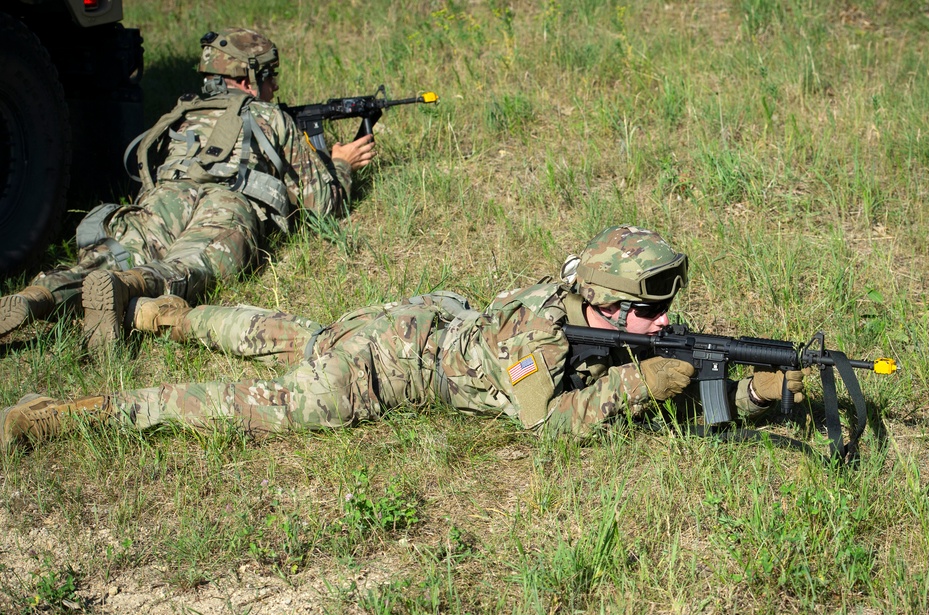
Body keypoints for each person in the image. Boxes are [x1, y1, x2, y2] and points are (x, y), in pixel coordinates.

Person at [0, 226, 805, 451]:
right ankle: (72, 413)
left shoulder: (574, 302)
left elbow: (641, 359)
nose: (660, 325)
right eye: (645, 313)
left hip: (400, 318)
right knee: (241, 401)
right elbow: (548, 424)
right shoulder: (536, 336)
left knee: (282, 335)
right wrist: (645, 384)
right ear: (599, 301)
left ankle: (169, 316)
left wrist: (747, 390)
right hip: (376, 371)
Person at [0, 27, 375, 347]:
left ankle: (36, 296)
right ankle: (123, 288)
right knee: (189, 266)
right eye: (270, 74)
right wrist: (341, 163)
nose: (275, 85)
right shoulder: (268, 115)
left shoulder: (182, 113)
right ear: (248, 78)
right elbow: (322, 205)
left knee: (108, 254)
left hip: (167, 196)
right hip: (228, 201)